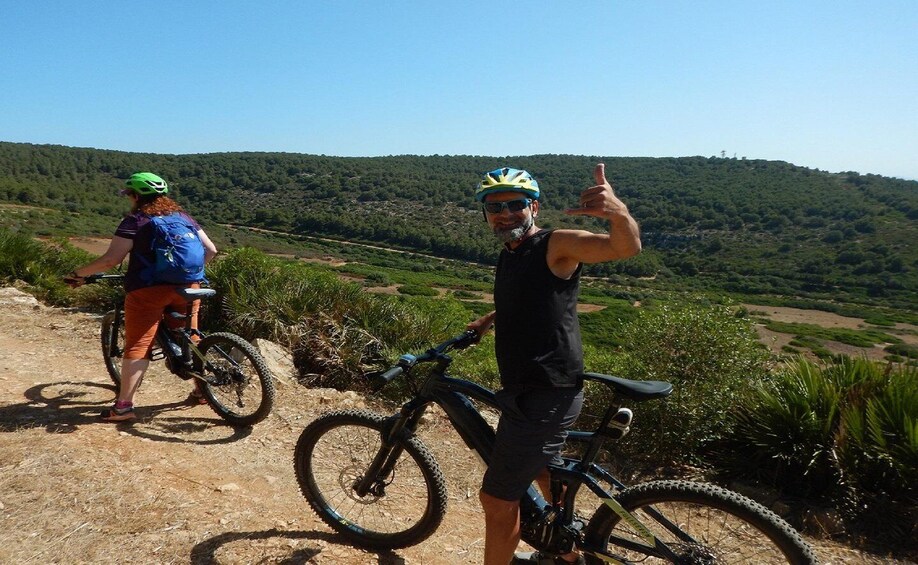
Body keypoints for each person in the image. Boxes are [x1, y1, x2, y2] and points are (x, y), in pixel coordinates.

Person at [466, 164, 641, 565]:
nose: (505, 213)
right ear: (486, 214)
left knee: (496, 498)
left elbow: (624, 249)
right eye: (495, 207)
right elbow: (529, 298)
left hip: (545, 393)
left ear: (535, 208)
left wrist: (618, 212)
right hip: (531, 389)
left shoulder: (556, 244)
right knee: (546, 472)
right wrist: (489, 321)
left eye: (515, 204)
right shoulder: (511, 253)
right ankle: (567, 552)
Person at [65, 172, 218, 422]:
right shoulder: (183, 217)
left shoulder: (135, 220)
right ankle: (203, 392)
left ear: (135, 196)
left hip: (148, 290)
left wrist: (78, 274)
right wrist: (186, 274)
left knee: (138, 345)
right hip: (190, 287)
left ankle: (124, 407)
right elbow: (211, 250)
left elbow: (111, 259)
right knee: (191, 339)